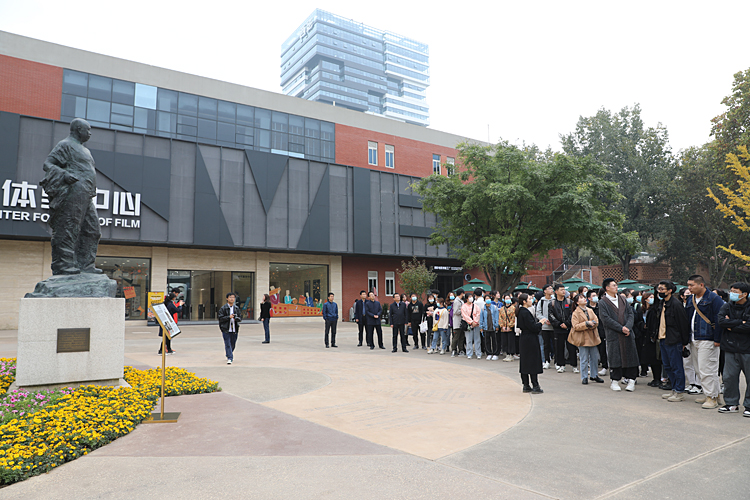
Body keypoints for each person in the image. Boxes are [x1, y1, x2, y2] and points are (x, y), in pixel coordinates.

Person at [40, 118, 103, 275]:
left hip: (87, 194)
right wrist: (64, 174)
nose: (90, 133)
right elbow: (48, 164)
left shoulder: (84, 149)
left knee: (93, 230)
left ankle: (86, 265)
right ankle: (63, 265)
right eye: (88, 130)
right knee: (69, 227)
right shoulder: (65, 145)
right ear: (79, 129)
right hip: (74, 190)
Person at [685, 275, 726, 409]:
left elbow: (719, 319)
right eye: (688, 285)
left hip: (708, 338)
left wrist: (717, 339)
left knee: (707, 369)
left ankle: (711, 397)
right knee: (699, 369)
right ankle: (713, 394)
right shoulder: (691, 299)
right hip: (694, 338)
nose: (689, 288)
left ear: (701, 285)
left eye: (692, 285)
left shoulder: (714, 298)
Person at [652, 280, 692, 401]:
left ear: (670, 290)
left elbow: (683, 324)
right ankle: (674, 389)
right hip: (663, 338)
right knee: (668, 366)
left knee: (676, 366)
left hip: (674, 340)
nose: (659, 291)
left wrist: (684, 342)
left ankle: (679, 391)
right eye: (658, 289)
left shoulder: (676, 304)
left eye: (662, 289)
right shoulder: (662, 303)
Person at [598, 279, 638, 392]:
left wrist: (628, 327)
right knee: (615, 358)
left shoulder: (623, 299)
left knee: (631, 356)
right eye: (614, 285)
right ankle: (614, 381)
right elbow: (605, 319)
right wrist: (621, 328)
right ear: (607, 288)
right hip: (614, 334)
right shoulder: (602, 302)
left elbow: (630, 314)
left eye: (616, 285)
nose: (616, 287)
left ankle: (631, 380)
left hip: (627, 333)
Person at [717, 283, 750, 416]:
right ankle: (731, 403)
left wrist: (731, 325)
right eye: (731, 291)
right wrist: (740, 322)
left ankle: (749, 405)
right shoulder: (727, 306)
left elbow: (749, 326)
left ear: (745, 294)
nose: (732, 294)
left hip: (747, 348)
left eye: (735, 291)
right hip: (730, 347)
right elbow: (721, 321)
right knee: (729, 377)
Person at [570, 293, 603, 384]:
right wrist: (586, 324)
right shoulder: (576, 313)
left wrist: (593, 324)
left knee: (594, 357)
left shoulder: (590, 310)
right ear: (577, 302)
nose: (584, 299)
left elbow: (596, 320)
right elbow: (575, 326)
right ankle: (584, 377)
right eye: (581, 298)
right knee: (584, 359)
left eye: (584, 297)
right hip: (583, 337)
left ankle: (594, 375)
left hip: (592, 336)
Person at [517, 293, 544, 394]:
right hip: (530, 339)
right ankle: (535, 385)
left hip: (524, 338)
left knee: (525, 362)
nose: (531, 300)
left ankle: (526, 385)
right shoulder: (525, 312)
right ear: (524, 301)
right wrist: (540, 323)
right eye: (529, 298)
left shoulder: (521, 311)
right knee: (533, 362)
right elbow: (533, 327)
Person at [549, 284, 577, 373]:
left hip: (569, 329)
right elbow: (551, 316)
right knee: (559, 348)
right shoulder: (552, 303)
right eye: (561, 290)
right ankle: (561, 365)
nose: (563, 291)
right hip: (558, 329)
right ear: (556, 291)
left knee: (571, 347)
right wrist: (559, 324)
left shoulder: (569, 302)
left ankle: (574, 365)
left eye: (564, 289)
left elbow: (573, 314)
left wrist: (567, 323)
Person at [638, 292, 663, 387]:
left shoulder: (655, 309)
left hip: (653, 336)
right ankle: (655, 378)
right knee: (651, 359)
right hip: (645, 336)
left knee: (656, 359)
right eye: (649, 297)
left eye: (652, 297)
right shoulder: (642, 310)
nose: (651, 299)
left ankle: (658, 378)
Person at [588, 289, 608, 376]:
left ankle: (605, 366)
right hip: (590, 331)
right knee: (591, 351)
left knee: (602, 350)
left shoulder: (600, 306)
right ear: (589, 298)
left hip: (600, 331)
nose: (595, 297)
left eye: (596, 295)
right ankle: (593, 368)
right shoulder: (587, 308)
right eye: (593, 296)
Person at [219, 292, 242, 364]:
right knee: (227, 344)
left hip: (234, 329)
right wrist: (228, 317)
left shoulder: (236, 308)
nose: (232, 299)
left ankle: (228, 353)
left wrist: (236, 318)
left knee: (233, 344)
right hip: (226, 329)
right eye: (230, 297)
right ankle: (230, 358)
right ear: (227, 298)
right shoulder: (223, 308)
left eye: (233, 297)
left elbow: (240, 318)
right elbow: (220, 318)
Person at [536, 284, 555, 369]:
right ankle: (546, 361)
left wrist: (553, 321)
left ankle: (557, 362)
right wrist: (545, 320)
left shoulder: (555, 300)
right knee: (546, 345)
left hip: (554, 326)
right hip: (545, 327)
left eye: (552, 288)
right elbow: (538, 313)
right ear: (545, 291)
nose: (551, 290)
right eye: (549, 288)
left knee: (555, 345)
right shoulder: (541, 301)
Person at [158, 291, 182, 355]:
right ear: (173, 298)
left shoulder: (165, 303)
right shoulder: (170, 304)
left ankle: (169, 349)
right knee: (166, 337)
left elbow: (171, 311)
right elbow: (178, 310)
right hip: (168, 322)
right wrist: (180, 305)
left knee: (169, 336)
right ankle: (161, 350)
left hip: (164, 321)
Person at [461, 292, 481, 359]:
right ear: (466, 298)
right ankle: (469, 353)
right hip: (468, 325)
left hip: (476, 324)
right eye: (469, 297)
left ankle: (478, 353)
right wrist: (471, 322)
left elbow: (478, 313)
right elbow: (465, 316)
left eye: (471, 296)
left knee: (477, 339)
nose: (471, 298)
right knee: (469, 340)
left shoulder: (475, 306)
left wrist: (475, 321)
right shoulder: (464, 306)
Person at [480, 294, 500, 360]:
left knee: (494, 341)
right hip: (486, 327)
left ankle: (495, 353)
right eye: (486, 299)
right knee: (487, 341)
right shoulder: (483, 309)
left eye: (488, 298)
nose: (487, 300)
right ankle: (488, 353)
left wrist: (497, 325)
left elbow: (496, 317)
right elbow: (481, 318)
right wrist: (481, 327)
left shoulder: (494, 308)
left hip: (493, 327)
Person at [499, 293, 517, 362]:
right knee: (505, 341)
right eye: (506, 298)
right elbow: (500, 318)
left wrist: (509, 326)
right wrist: (502, 326)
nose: (507, 300)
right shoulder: (502, 309)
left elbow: (513, 318)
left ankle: (511, 354)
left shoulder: (513, 308)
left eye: (508, 298)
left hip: (510, 328)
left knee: (511, 341)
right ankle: (507, 354)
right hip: (503, 328)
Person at [451, 289, 466, 357]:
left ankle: (461, 350)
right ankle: (454, 349)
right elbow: (456, 311)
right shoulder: (456, 301)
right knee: (456, 337)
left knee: (461, 337)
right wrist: (463, 310)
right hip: (457, 321)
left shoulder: (460, 301)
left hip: (461, 321)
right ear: (461, 293)